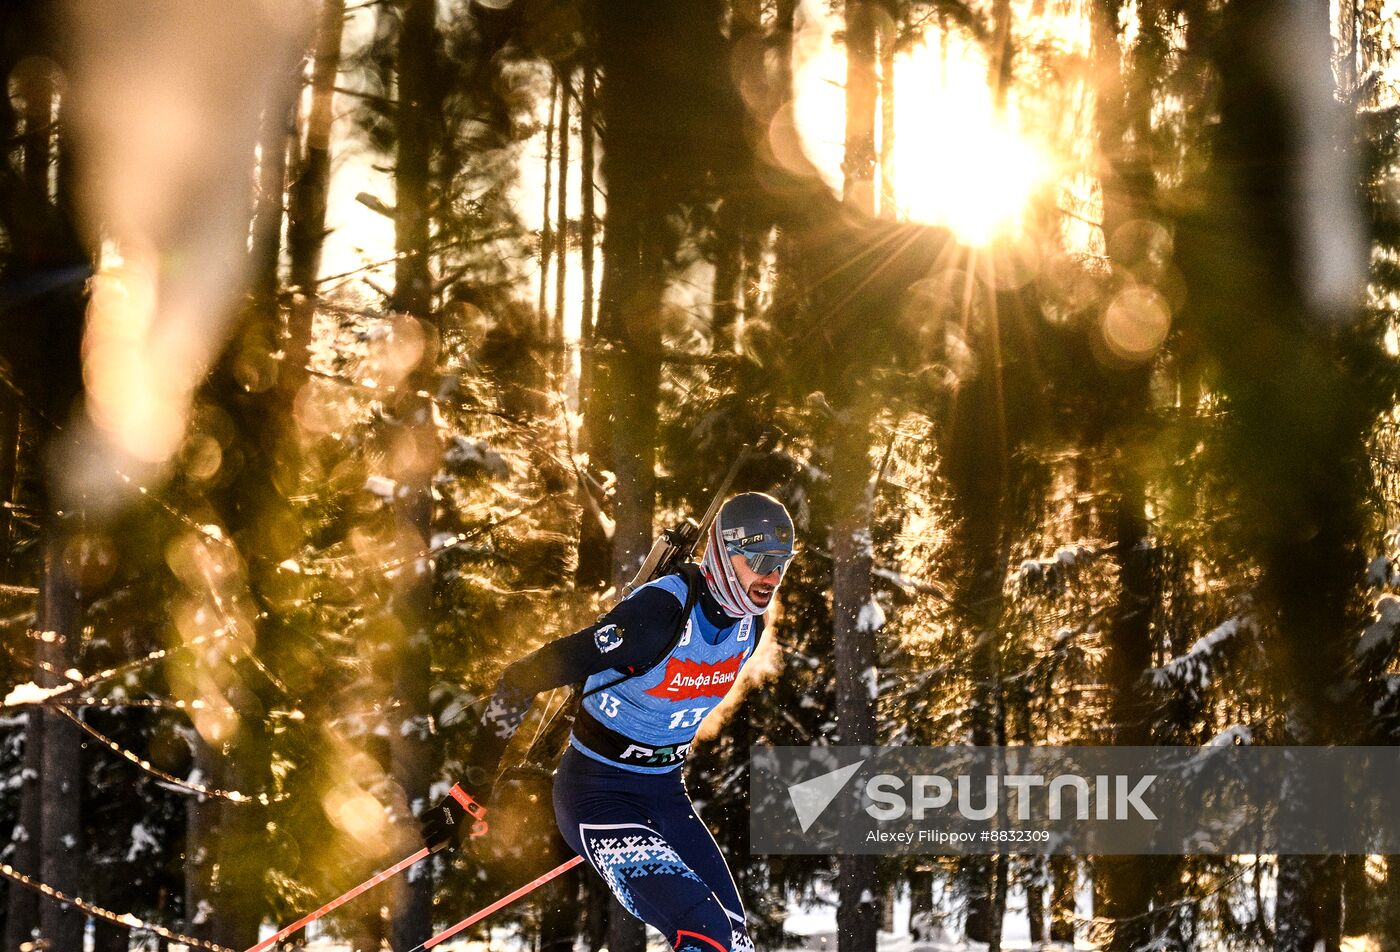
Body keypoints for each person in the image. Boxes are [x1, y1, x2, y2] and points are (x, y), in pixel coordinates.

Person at [423, 492, 796, 952]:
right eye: (759, 558)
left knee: (736, 943)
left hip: (663, 796)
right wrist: (469, 793)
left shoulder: (750, 628)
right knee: (708, 937)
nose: (771, 575)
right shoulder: (657, 617)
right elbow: (521, 679)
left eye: (782, 562)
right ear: (723, 553)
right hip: (596, 797)